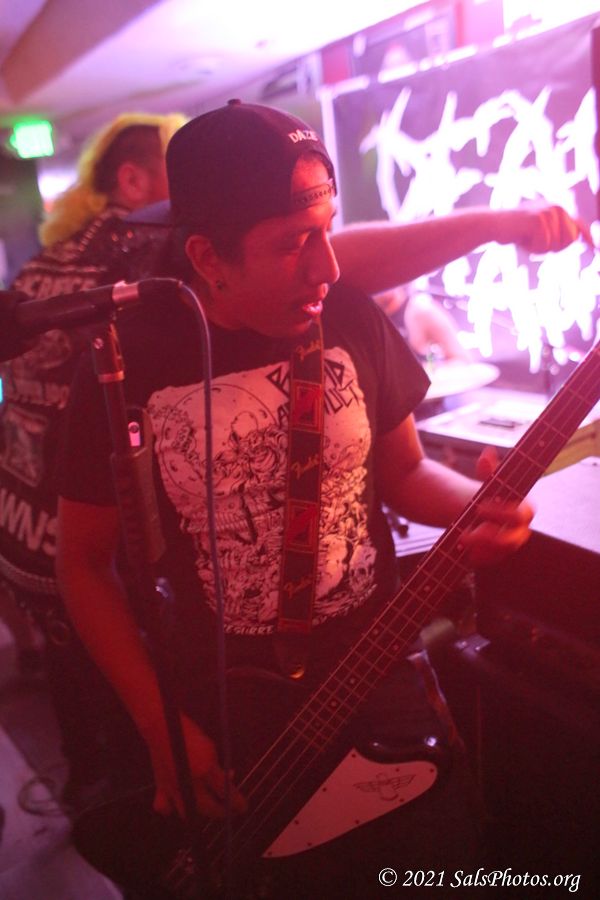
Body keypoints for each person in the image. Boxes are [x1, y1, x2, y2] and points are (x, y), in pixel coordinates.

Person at [56, 101, 535, 899]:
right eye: (292, 242)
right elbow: (82, 566)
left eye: (328, 229)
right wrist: (158, 727)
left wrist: (479, 505)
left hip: (375, 671)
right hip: (225, 712)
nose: (329, 267)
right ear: (207, 256)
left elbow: (407, 472)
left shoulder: (345, 316)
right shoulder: (123, 360)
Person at [0, 111, 186, 806]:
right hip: (96, 541)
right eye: (180, 175)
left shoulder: (42, 262)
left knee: (69, 674)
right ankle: (138, 812)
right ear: (133, 181)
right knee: (128, 696)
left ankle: (86, 793)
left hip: (25, 526)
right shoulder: (137, 259)